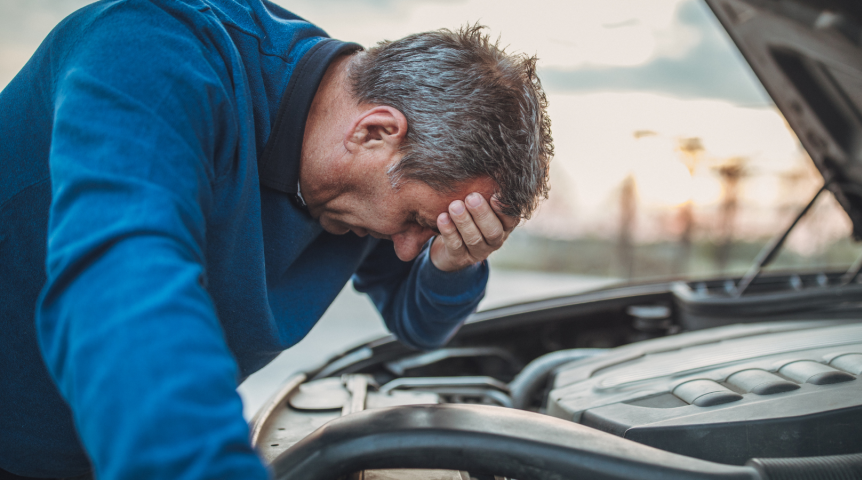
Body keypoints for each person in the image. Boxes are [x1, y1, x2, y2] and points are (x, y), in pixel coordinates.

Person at [0, 0, 552, 478]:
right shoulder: (151, 53)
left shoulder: (363, 171)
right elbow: (122, 292)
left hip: (129, 448)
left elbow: (419, 324)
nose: (408, 248)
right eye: (414, 220)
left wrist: (451, 264)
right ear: (375, 131)